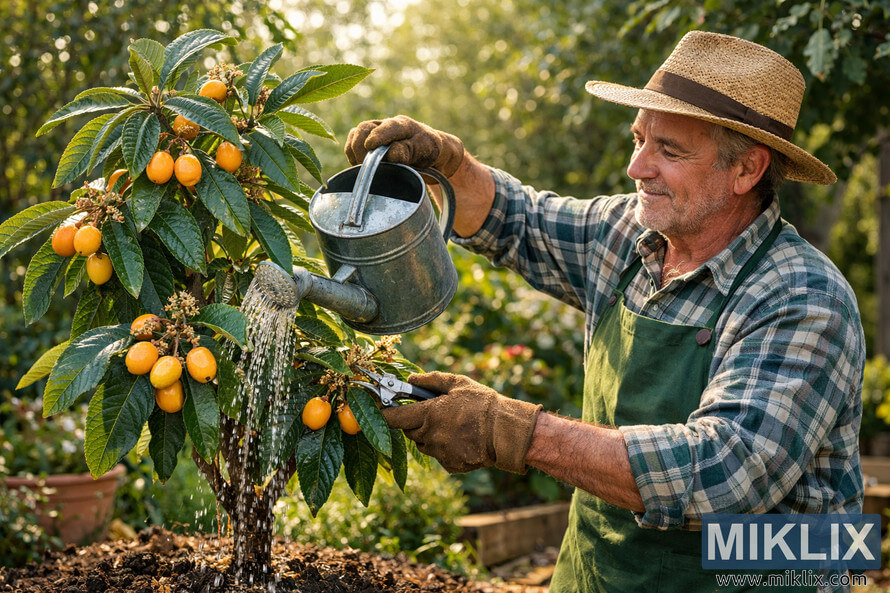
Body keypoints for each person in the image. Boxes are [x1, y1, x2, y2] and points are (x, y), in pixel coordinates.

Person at [344, 31, 865, 592]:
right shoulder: (627, 235)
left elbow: (724, 474)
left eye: (669, 151)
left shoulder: (802, 296)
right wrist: (450, 163)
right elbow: (518, 220)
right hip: (600, 574)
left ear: (747, 169)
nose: (637, 167)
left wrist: (512, 430)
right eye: (638, 138)